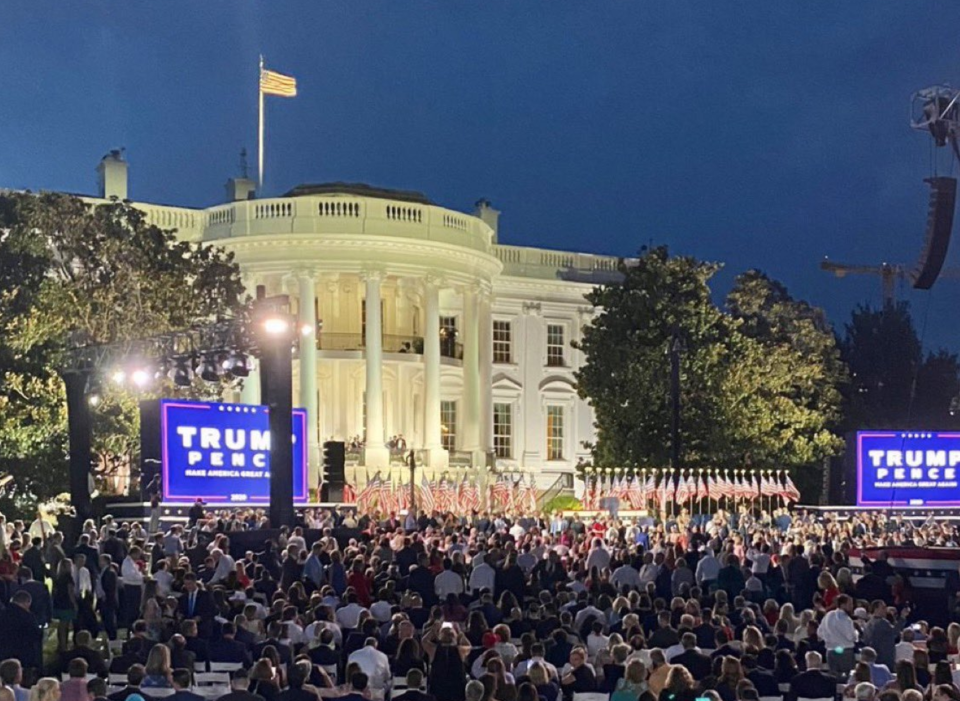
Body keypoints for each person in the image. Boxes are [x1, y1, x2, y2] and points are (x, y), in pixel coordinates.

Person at [0, 592, 43, 674]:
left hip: (3, 653)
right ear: (27, 602)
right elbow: (36, 635)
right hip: (23, 656)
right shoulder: (28, 617)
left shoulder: (2, 614)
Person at [819, 595, 857, 676]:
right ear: (842, 605)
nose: (852, 607)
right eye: (850, 604)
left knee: (834, 677)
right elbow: (850, 636)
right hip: (845, 652)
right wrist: (856, 633)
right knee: (847, 677)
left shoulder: (828, 615)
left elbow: (820, 632)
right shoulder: (846, 619)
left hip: (830, 651)